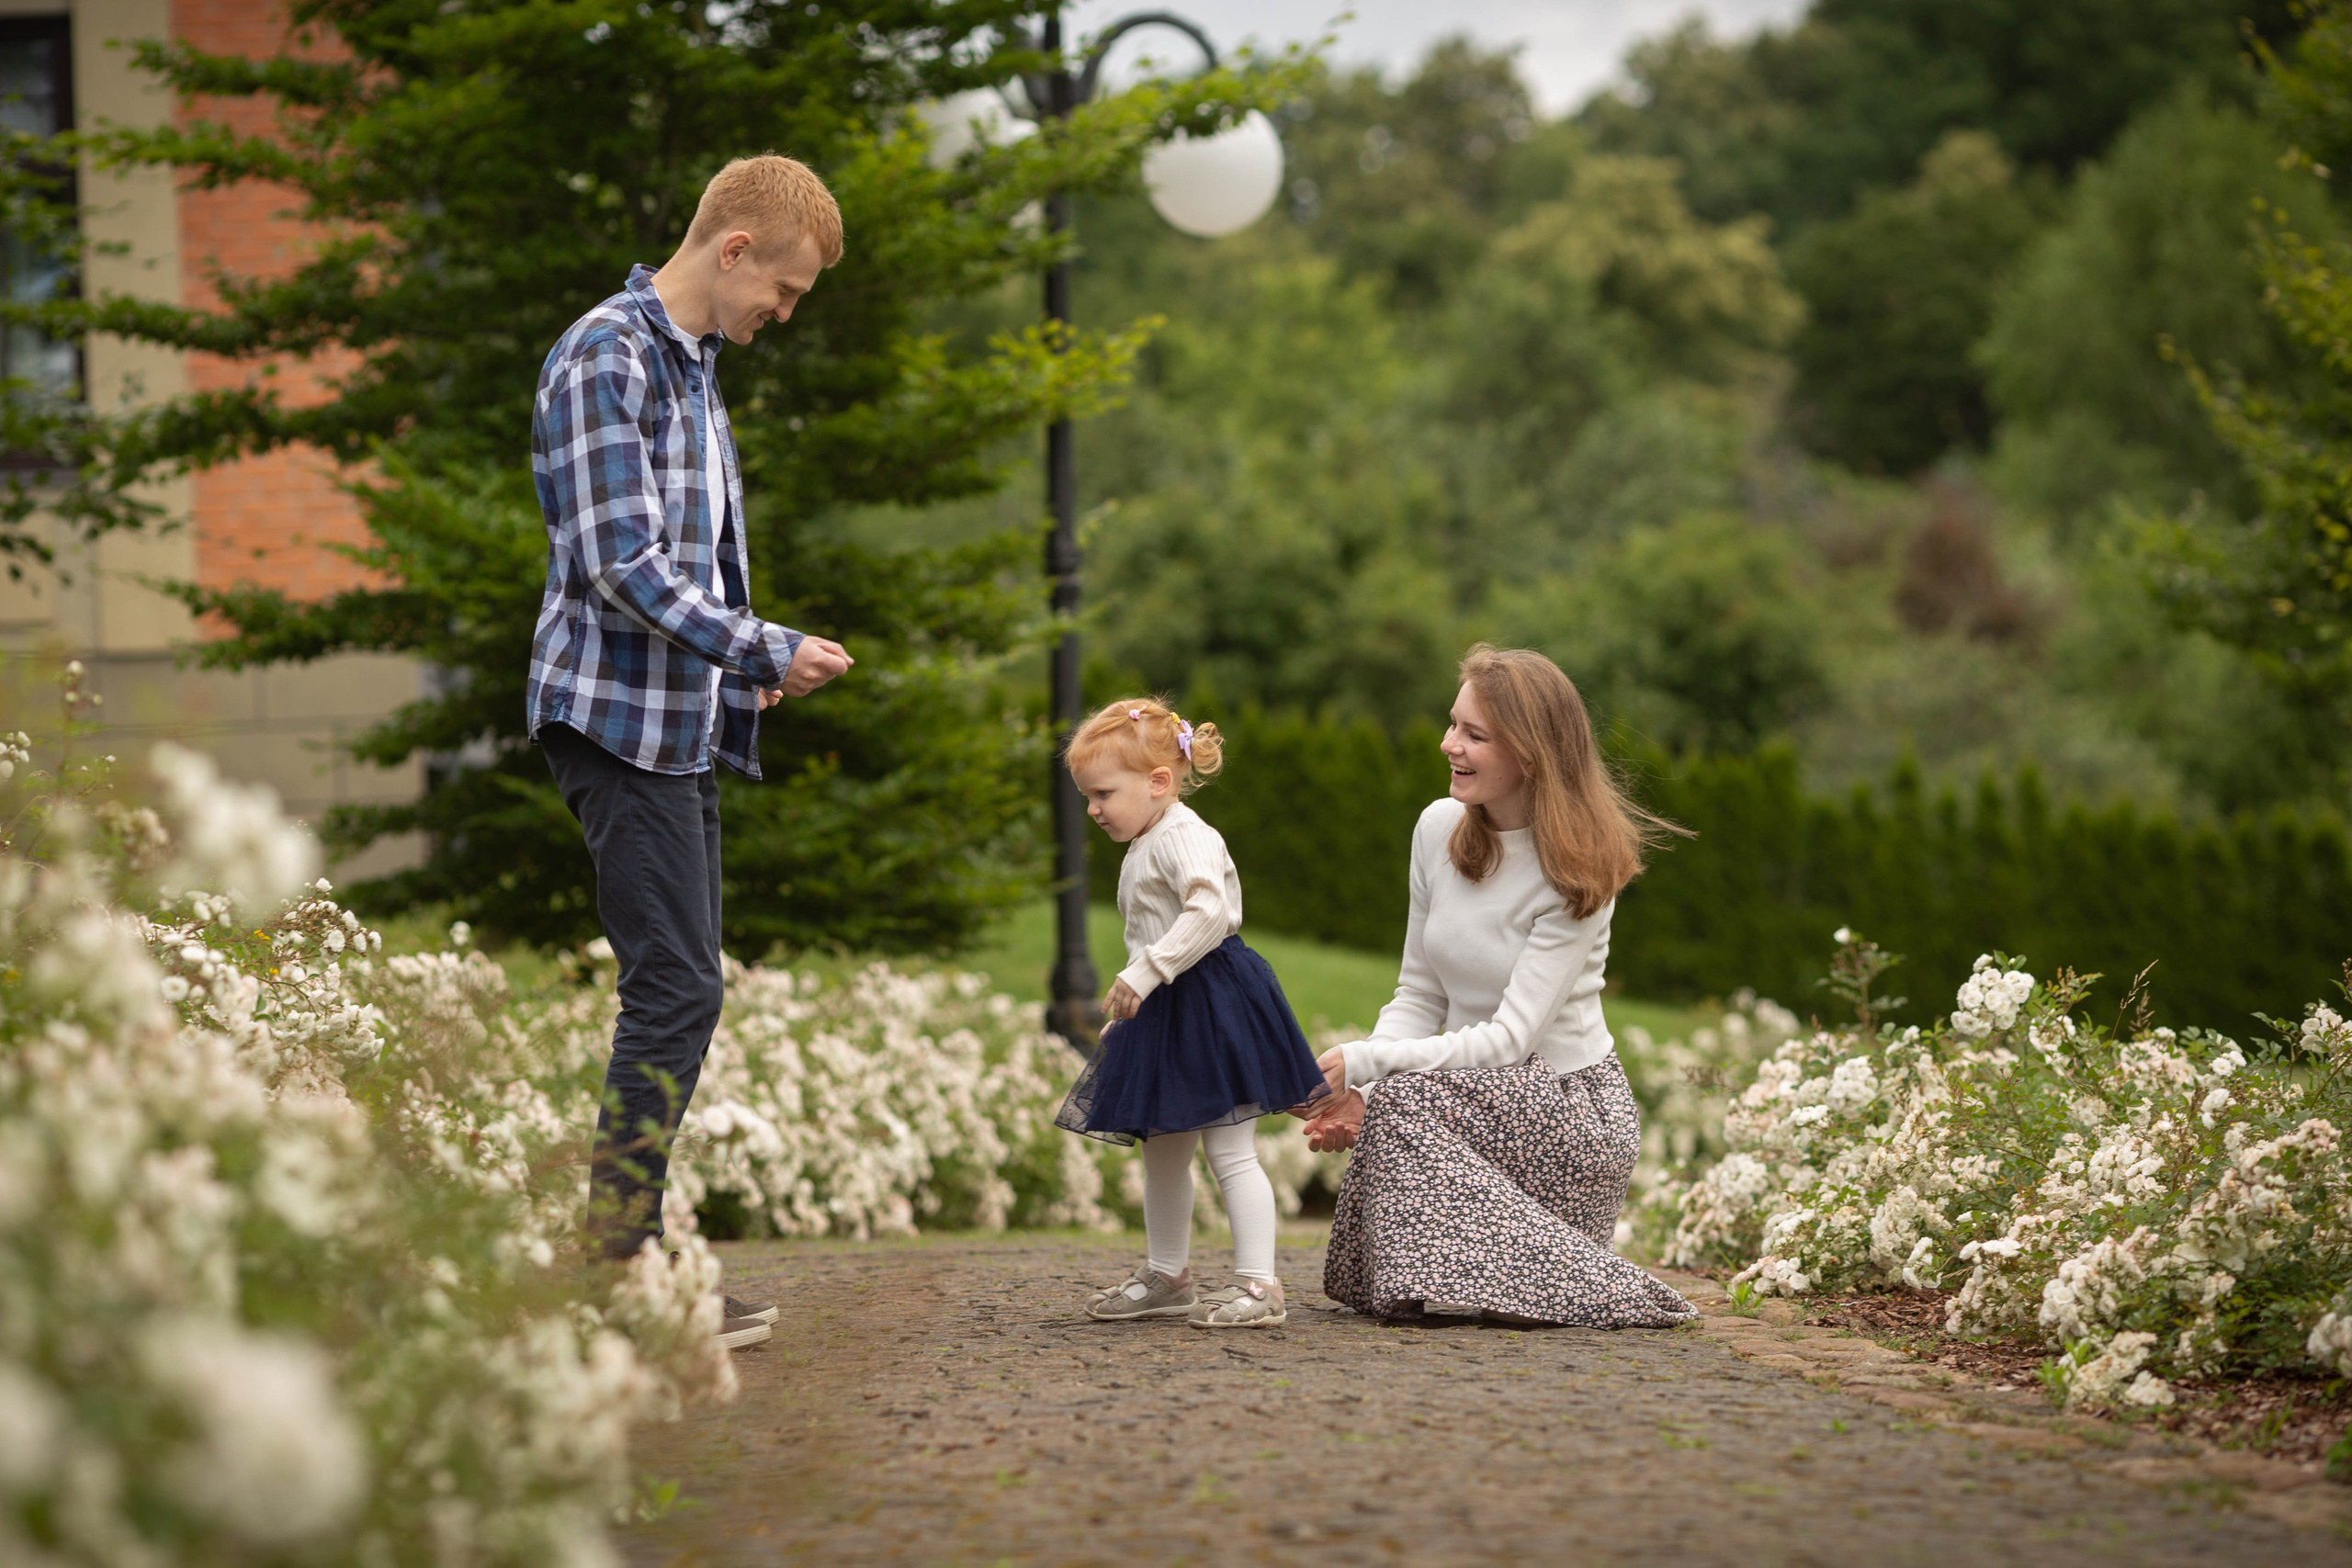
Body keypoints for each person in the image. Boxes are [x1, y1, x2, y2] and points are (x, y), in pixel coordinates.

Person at [526, 154, 854, 1327]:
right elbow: (621, 565)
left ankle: (619, 1267)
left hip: (676, 723)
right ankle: (612, 1281)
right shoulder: (605, 355)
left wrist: (733, 677)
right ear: (733, 252)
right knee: (673, 988)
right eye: (787, 288)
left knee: (686, 990)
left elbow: (690, 556)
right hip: (612, 721)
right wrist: (759, 646)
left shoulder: (695, 367)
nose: (784, 313)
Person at [1297, 645, 1698, 1328]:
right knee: (1399, 1096)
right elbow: (1419, 993)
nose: (1448, 743)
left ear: (1531, 754)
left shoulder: (1577, 870)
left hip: (1568, 1111)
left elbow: (1512, 1041)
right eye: (1453, 723)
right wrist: (1364, 1087)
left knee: (1403, 1097)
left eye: (1474, 734)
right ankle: (1493, 1279)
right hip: (1473, 1098)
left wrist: (1366, 1064)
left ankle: (1556, 1273)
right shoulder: (1436, 829)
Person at [1056, 699, 1329, 1328]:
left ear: (1158, 782)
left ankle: (1260, 1285)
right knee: (1164, 1152)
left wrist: (1146, 972)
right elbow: (1152, 931)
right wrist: (1134, 1010)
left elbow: (1208, 914)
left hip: (1213, 1002)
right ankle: (1168, 1272)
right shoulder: (1149, 837)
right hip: (1172, 1006)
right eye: (1087, 796)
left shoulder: (1185, 835)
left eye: (1103, 793)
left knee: (1230, 1150)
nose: (1094, 809)